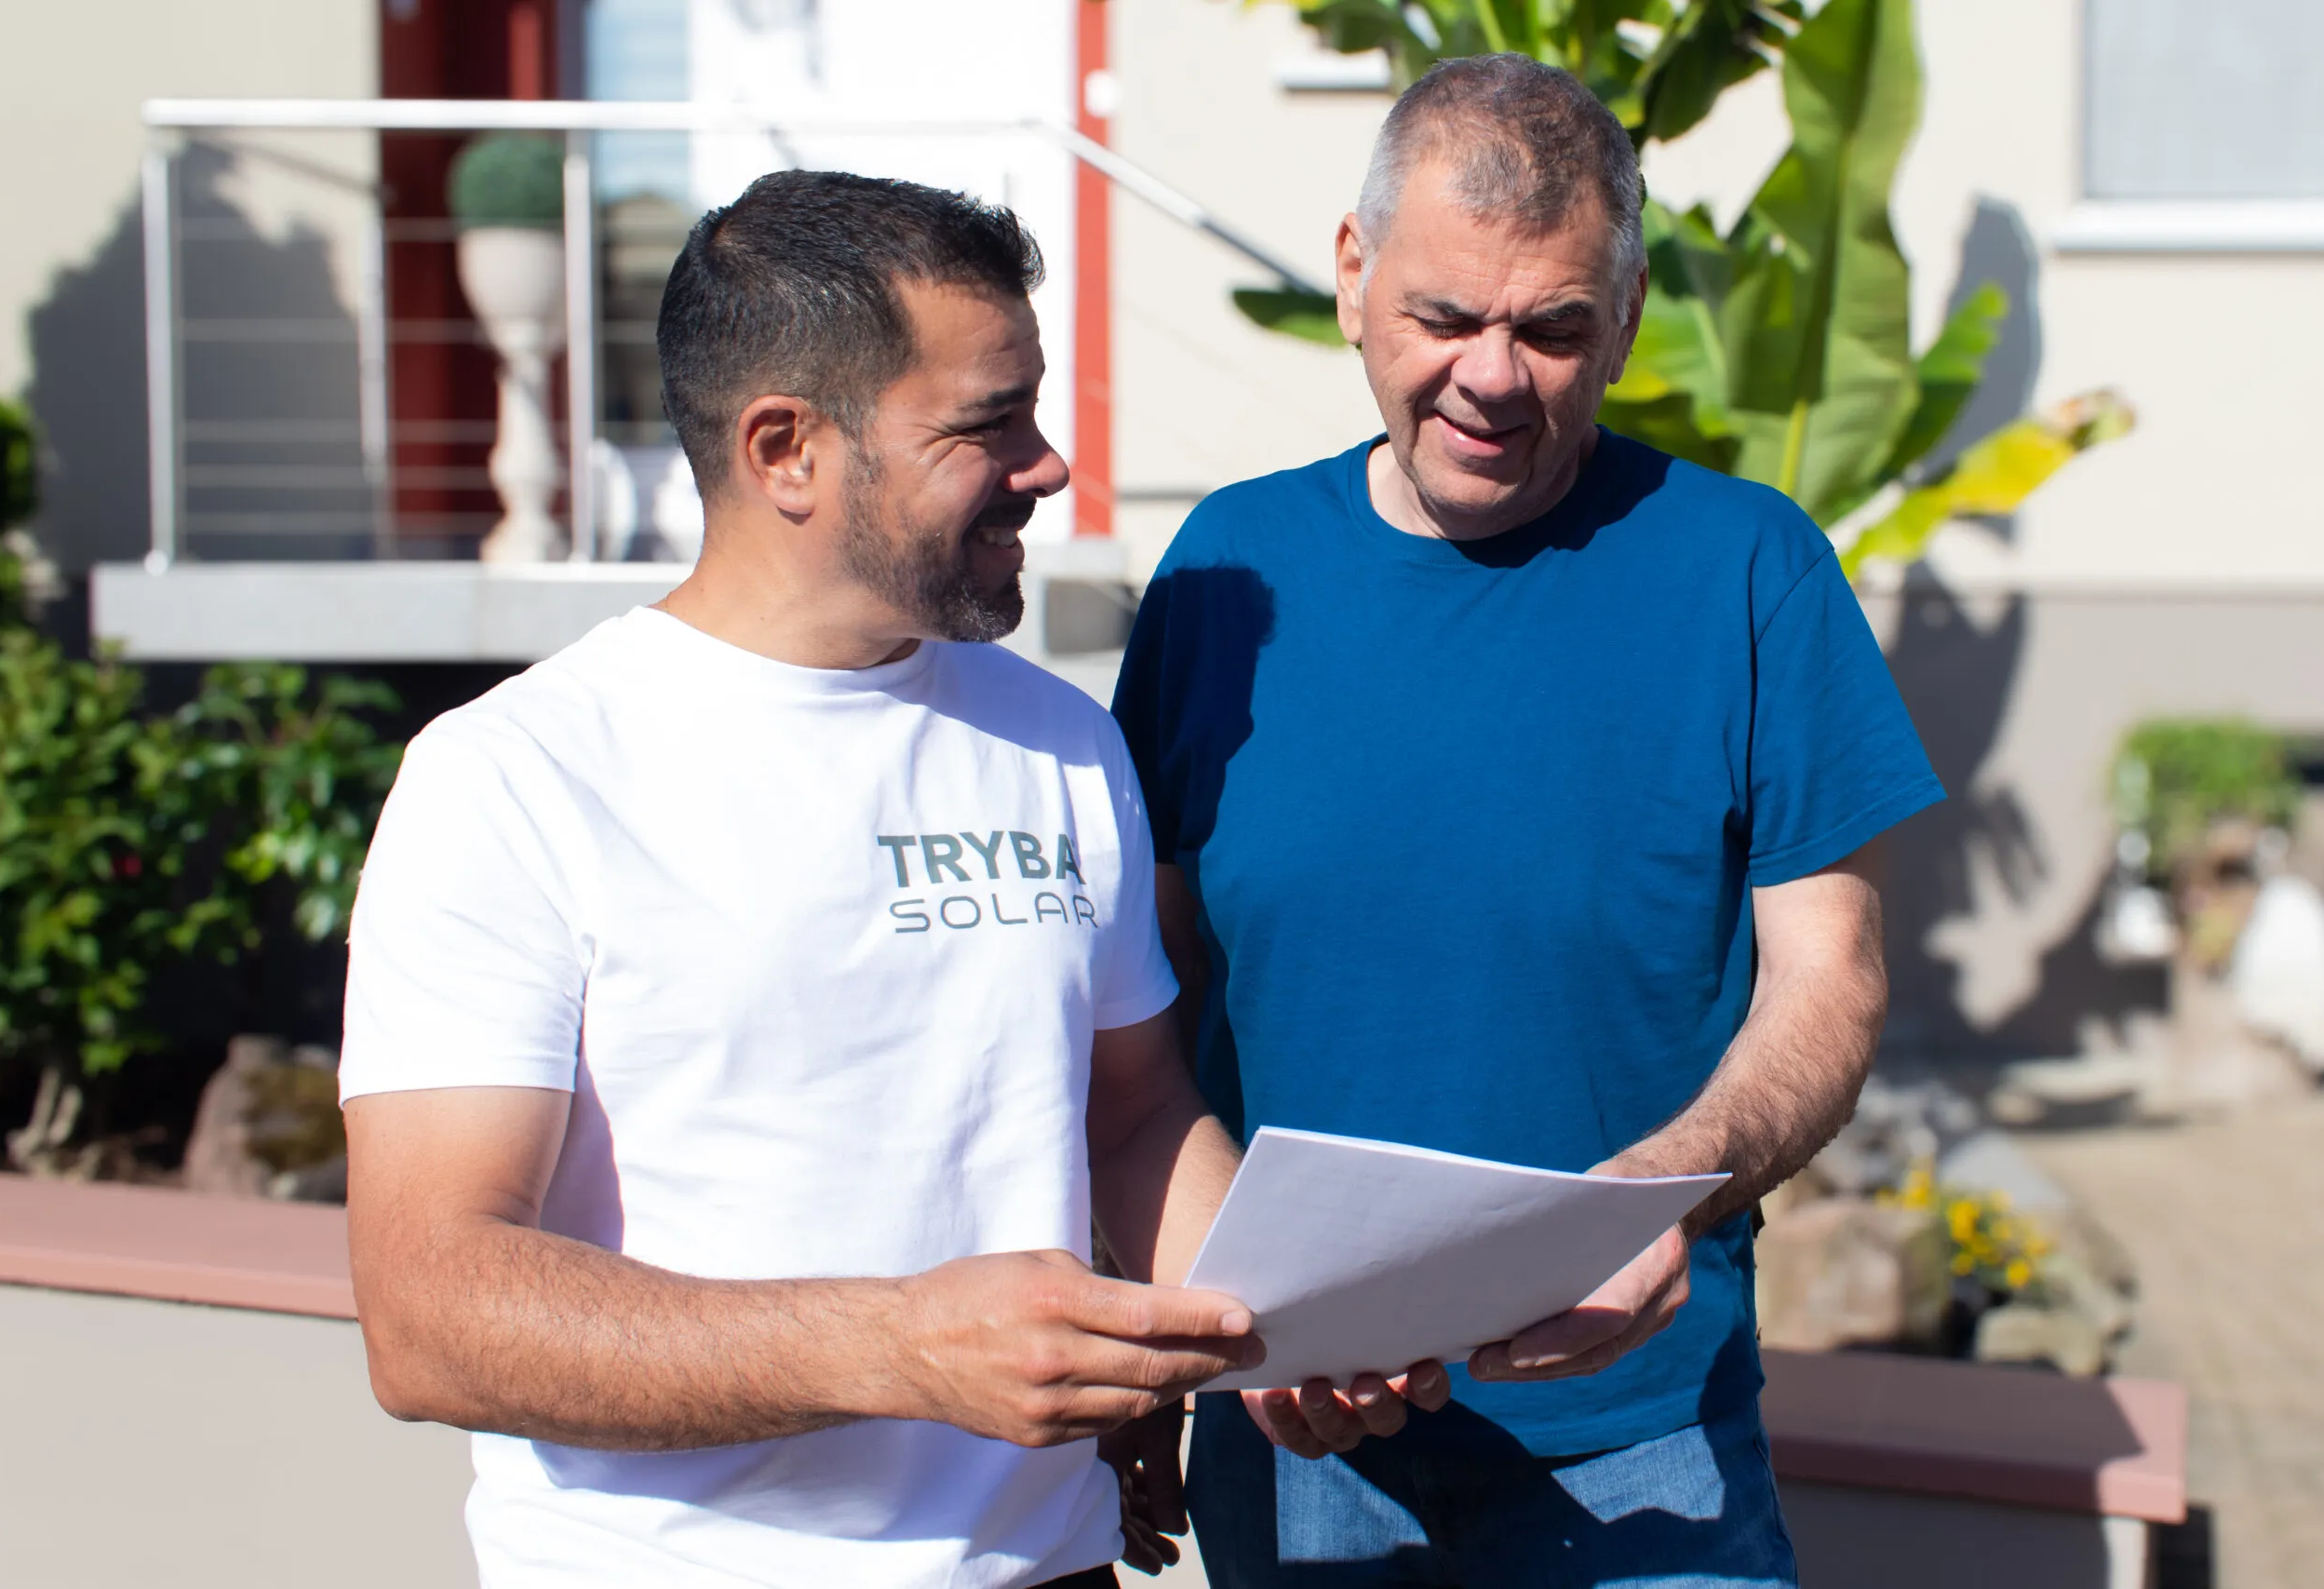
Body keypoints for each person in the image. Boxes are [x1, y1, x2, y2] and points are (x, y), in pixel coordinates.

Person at [338, 170, 1440, 1589]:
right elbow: (429, 1313)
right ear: (787, 449)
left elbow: (1135, 1114)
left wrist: (1286, 1321)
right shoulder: (516, 778)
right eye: (987, 425)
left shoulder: (1059, 739)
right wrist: (900, 1347)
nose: (1048, 466)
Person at [1111, 55, 1945, 1588]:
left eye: (1553, 329)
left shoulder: (1750, 571)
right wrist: (1164, 1329)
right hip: (1296, 1430)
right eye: (1445, 317)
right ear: (1353, 275)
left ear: (1626, 319)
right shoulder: (1229, 574)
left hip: (1644, 1444)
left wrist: (1672, 1181)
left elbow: (1830, 976)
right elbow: (1136, 1020)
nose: (1493, 377)